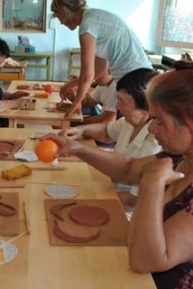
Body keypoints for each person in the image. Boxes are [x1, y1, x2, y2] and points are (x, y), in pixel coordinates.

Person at [44, 60, 193, 288]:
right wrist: (77, 148)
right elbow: (129, 168)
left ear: (192, 124)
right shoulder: (184, 152)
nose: (151, 128)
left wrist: (152, 184)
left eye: (158, 120)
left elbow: (146, 259)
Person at [60, 68, 161, 215]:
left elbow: (131, 202)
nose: (117, 106)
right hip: (109, 189)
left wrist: (88, 200)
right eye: (118, 98)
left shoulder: (155, 145)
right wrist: (80, 131)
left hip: (124, 213)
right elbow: (106, 132)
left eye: (123, 102)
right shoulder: (129, 121)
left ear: (146, 110)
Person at [51, 0, 152, 117]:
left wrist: (77, 102)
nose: (61, 22)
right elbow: (99, 71)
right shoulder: (93, 17)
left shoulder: (86, 25)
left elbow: (87, 75)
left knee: (134, 127)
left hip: (135, 79)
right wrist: (70, 85)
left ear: (64, 11)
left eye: (59, 17)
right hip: (141, 76)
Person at [65, 56, 117, 125]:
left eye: (97, 70)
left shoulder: (115, 88)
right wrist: (73, 98)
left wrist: (76, 123)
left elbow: (105, 121)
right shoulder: (102, 84)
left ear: (110, 70)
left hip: (108, 131)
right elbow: (89, 101)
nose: (92, 73)